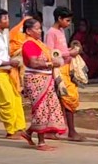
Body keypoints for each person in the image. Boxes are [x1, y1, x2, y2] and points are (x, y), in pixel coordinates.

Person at [19, 17, 70, 150]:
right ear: (29, 31)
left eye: (40, 28)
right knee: (40, 109)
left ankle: (29, 132)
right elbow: (33, 63)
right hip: (36, 79)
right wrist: (51, 63)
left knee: (48, 107)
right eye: (37, 28)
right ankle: (41, 142)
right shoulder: (29, 44)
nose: (40, 31)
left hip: (46, 79)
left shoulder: (39, 43)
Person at [0, 7, 28, 138]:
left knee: (13, 100)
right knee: (7, 102)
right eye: (5, 18)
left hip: (6, 73)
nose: (8, 20)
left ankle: (19, 127)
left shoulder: (2, 35)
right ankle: (11, 130)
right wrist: (9, 63)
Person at [47, 6, 86, 141]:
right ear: (59, 19)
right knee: (67, 99)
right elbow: (51, 52)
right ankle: (71, 131)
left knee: (64, 100)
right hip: (59, 70)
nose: (69, 24)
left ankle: (59, 129)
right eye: (67, 21)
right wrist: (70, 52)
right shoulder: (51, 32)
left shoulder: (61, 31)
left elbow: (61, 49)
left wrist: (71, 50)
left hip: (67, 68)